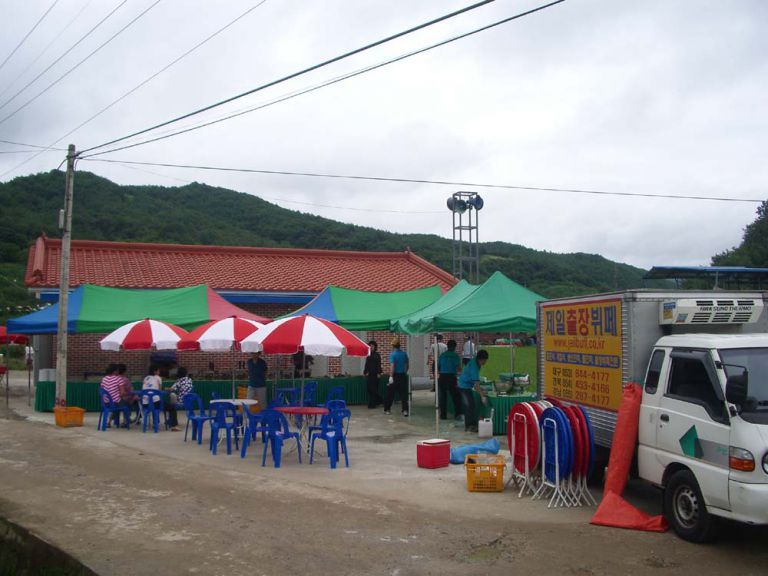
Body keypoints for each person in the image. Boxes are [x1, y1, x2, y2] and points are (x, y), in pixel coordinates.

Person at [458, 349, 489, 433]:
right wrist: (482, 396)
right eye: (485, 360)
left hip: (466, 385)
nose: (485, 362)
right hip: (464, 386)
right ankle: (469, 426)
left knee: (471, 405)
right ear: (482, 359)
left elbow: (476, 383)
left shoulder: (475, 363)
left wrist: (481, 391)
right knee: (469, 406)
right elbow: (476, 384)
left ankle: (472, 425)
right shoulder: (474, 366)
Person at [438, 339, 463, 421]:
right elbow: (459, 368)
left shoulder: (442, 355)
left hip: (442, 377)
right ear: (454, 347)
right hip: (451, 377)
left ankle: (443, 415)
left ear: (447, 346)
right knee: (456, 396)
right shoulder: (455, 356)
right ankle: (458, 414)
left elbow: (438, 367)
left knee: (443, 397)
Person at [384, 338, 409, 417]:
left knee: (390, 394)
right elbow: (407, 365)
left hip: (395, 376)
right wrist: (405, 372)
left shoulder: (393, 354)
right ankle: (405, 410)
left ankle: (387, 409)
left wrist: (391, 376)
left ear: (393, 346)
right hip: (402, 376)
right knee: (404, 394)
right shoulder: (404, 354)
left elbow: (392, 366)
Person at [165, 367, 194, 431]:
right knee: (174, 396)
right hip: (189, 401)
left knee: (172, 397)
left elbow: (171, 389)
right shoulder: (190, 380)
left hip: (181, 401)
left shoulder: (179, 381)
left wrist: (165, 388)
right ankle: (171, 419)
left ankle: (171, 420)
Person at [363, 340, 383, 409]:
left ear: (375, 347)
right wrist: (365, 372)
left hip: (375, 375)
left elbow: (379, 364)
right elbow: (367, 364)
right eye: (370, 346)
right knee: (369, 389)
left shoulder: (377, 355)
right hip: (370, 375)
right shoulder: (368, 355)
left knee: (374, 390)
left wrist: (379, 373)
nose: (371, 347)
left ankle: (372, 404)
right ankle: (380, 400)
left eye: (372, 346)